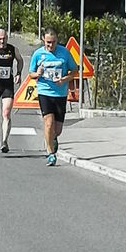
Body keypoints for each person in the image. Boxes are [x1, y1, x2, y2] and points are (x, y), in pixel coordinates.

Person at [28, 27, 77, 166]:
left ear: (57, 40)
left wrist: (64, 79)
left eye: (53, 42)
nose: (51, 45)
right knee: (48, 123)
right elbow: (31, 74)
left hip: (60, 93)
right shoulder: (38, 54)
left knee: (58, 129)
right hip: (45, 91)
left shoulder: (64, 53)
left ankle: (53, 138)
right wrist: (37, 73)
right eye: (48, 42)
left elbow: (74, 71)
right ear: (43, 39)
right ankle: (50, 154)